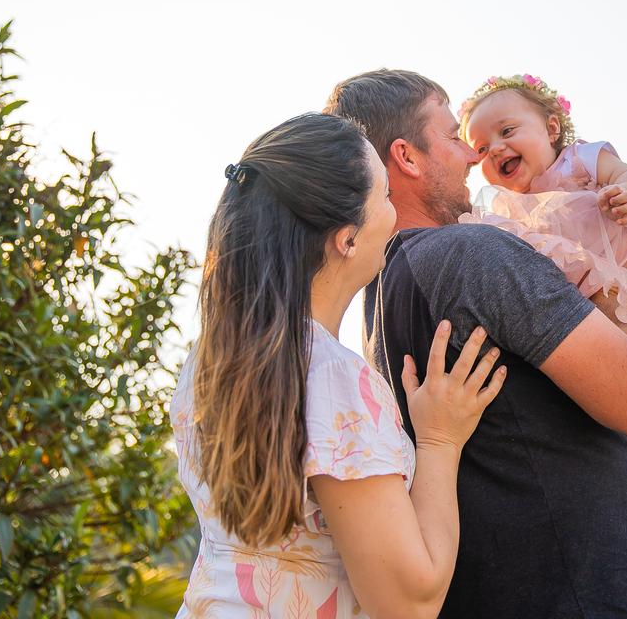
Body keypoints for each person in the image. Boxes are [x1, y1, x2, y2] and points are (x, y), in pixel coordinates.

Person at [323, 70, 627, 618]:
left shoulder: (384, 291)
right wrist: (614, 280)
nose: (473, 157)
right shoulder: (471, 255)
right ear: (407, 157)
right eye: (453, 137)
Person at [171, 112, 506, 619]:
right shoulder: (332, 378)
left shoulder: (208, 359)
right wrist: (440, 440)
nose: (393, 212)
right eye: (385, 197)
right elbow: (410, 604)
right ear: (347, 239)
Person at [458, 73, 627, 514]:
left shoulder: (581, 160)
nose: (494, 148)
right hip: (597, 304)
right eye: (480, 148)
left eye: (507, 131)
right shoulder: (507, 209)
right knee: (614, 394)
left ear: (552, 128)